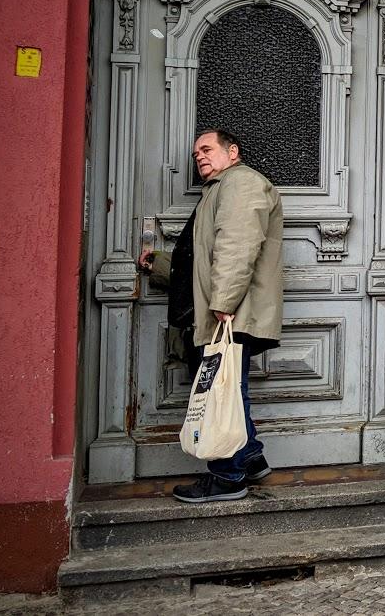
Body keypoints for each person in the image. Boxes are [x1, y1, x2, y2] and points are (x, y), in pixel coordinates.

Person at [139, 129, 283, 502]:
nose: (199, 156)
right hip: (227, 310)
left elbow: (238, 245)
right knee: (230, 388)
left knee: (225, 393)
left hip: (231, 312)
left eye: (207, 149)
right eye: (195, 154)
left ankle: (227, 477)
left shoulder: (241, 183)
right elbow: (200, 258)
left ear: (232, 151)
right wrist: (159, 264)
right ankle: (249, 457)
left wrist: (224, 300)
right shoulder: (218, 189)